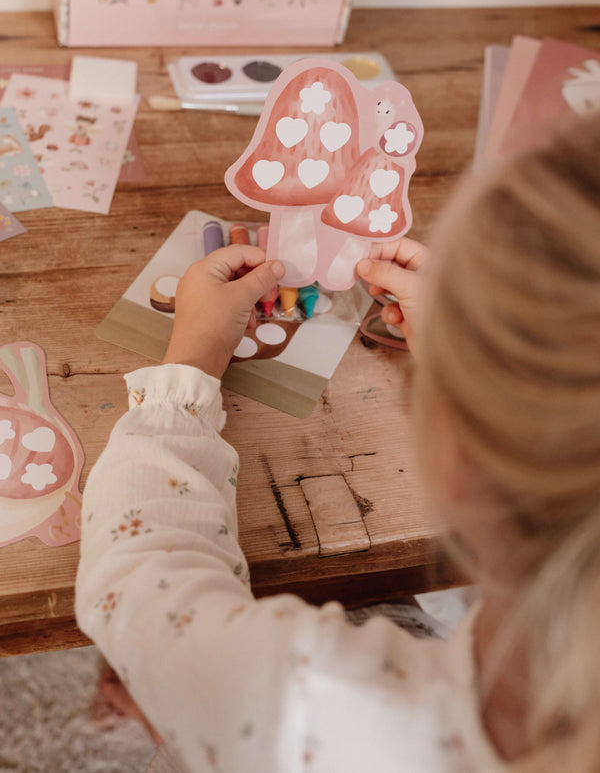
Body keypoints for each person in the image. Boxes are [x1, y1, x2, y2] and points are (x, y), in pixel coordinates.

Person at [76, 111, 600, 772]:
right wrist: (473, 365)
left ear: (457, 456)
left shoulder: (306, 700)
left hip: (250, 729)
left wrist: (195, 352)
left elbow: (137, 578)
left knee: (171, 680)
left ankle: (170, 715)